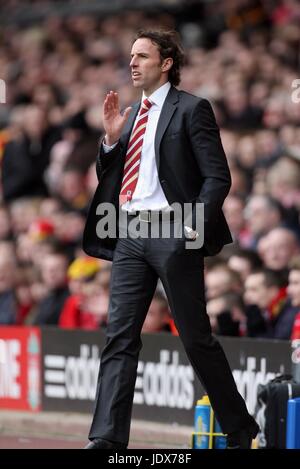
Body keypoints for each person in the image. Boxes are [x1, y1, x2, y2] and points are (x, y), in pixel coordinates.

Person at [83, 29, 259, 449]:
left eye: (142, 55)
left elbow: (219, 177)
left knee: (195, 337)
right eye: (130, 55)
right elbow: (110, 179)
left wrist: (190, 228)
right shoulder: (130, 116)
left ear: (166, 64)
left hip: (172, 230)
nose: (132, 62)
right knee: (120, 336)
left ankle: (240, 428)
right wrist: (110, 140)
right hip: (128, 230)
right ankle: (107, 438)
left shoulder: (192, 108)